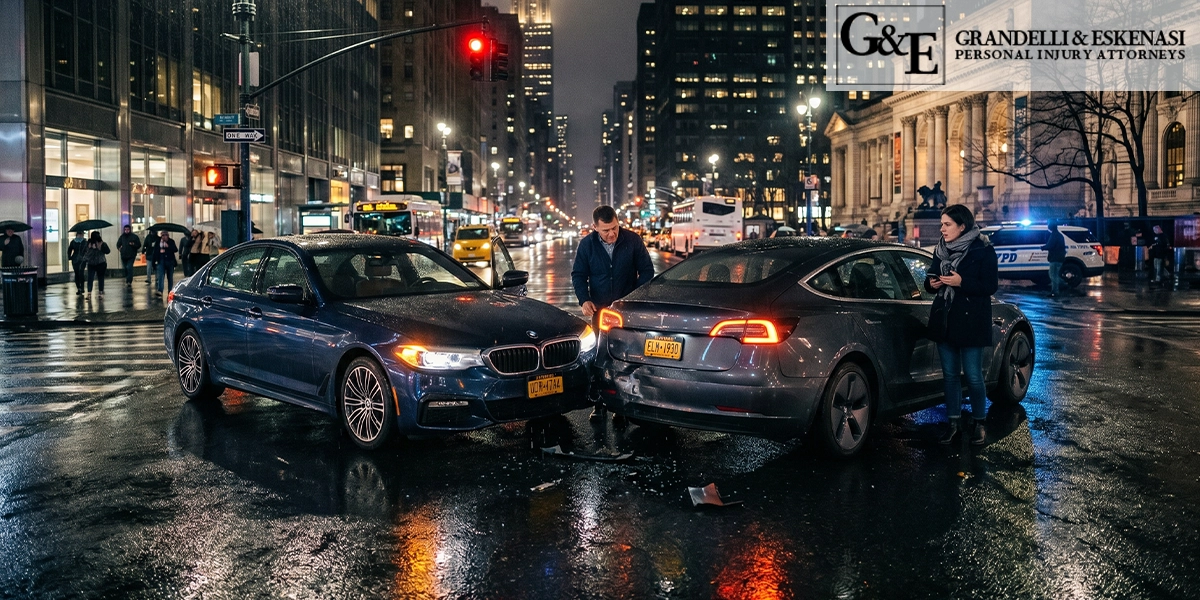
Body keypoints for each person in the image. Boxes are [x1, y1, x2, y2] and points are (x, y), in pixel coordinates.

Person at [572, 205, 655, 420]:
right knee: (600, 358)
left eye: (615, 228)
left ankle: (623, 406)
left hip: (627, 312)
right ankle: (599, 404)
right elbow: (578, 275)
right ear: (595, 228)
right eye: (606, 230)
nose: (611, 234)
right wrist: (584, 299)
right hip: (600, 312)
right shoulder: (587, 245)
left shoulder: (633, 240)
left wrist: (633, 297)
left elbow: (647, 270)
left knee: (628, 359)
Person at [925, 204, 998, 446]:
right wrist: (932, 284)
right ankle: (953, 423)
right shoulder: (941, 249)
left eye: (947, 224)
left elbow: (990, 286)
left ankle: (980, 422)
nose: (942, 228)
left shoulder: (984, 249)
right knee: (950, 376)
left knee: (974, 376)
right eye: (942, 224)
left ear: (962, 226)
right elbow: (930, 276)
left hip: (971, 321)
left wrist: (961, 281)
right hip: (945, 319)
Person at [1041, 222, 1067, 298]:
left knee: (1053, 275)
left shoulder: (1054, 235)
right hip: (1059, 258)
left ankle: (1055, 291)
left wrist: (1043, 247)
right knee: (1054, 274)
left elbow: (1050, 245)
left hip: (1055, 258)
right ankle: (1063, 284)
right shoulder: (1059, 235)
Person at [83, 231, 111, 297]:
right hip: (91, 264)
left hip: (100, 263)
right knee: (90, 278)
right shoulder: (88, 244)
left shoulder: (102, 244)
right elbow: (86, 254)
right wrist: (91, 249)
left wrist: (100, 248)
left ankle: (100, 291)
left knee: (100, 278)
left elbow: (108, 251)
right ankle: (90, 292)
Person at [153, 230, 178, 298]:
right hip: (161, 261)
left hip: (170, 261)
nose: (164, 237)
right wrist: (154, 262)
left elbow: (175, 249)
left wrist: (168, 246)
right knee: (161, 276)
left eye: (165, 235)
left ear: (168, 235)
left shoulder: (171, 241)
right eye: (162, 235)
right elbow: (155, 252)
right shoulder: (158, 242)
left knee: (170, 277)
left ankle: (170, 291)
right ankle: (160, 290)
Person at [67, 230, 88, 295]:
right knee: (79, 273)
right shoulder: (85, 242)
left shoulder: (73, 242)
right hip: (82, 259)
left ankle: (80, 288)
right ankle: (80, 287)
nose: (82, 235)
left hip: (75, 259)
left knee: (78, 273)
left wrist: (70, 257)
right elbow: (87, 250)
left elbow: (69, 250)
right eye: (81, 234)